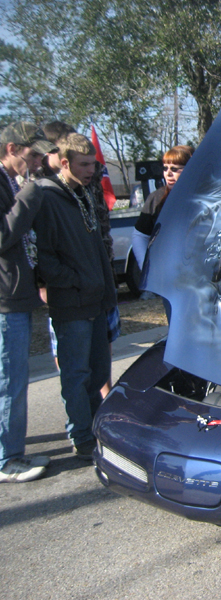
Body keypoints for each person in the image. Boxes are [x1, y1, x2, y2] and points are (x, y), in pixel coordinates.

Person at [33, 133, 117, 460]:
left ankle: (95, 429)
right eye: (84, 165)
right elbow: (44, 258)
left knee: (98, 372)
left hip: (96, 301)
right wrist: (77, 282)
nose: (91, 171)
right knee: (76, 374)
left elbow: (96, 248)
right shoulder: (46, 197)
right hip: (71, 304)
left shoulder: (83, 193)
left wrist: (105, 291)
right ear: (64, 162)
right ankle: (81, 436)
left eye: (94, 165)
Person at [0, 122, 55, 482]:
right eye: (32, 154)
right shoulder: (19, 187)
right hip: (4, 300)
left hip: (15, 293)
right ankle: (9, 460)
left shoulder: (11, 182)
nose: (36, 162)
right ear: (10, 149)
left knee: (13, 378)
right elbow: (4, 235)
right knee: (10, 380)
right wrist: (30, 193)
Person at [132, 145, 194, 320]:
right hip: (171, 281)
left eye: (175, 169)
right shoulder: (156, 198)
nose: (168, 173)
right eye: (165, 168)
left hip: (200, 280)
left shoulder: (206, 197)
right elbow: (139, 235)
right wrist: (149, 268)